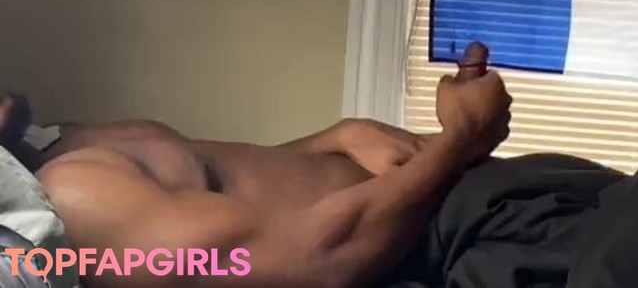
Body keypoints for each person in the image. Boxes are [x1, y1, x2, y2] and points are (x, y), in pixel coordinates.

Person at [2, 42, 513, 288]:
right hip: (445, 242)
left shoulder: (55, 141)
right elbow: (317, 258)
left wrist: (334, 138)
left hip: (448, 199)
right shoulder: (77, 199)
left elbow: (229, 186)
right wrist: (463, 135)